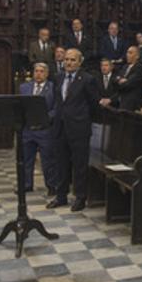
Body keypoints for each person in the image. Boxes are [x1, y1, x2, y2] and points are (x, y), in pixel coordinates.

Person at [50, 48, 98, 211]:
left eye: (72, 60)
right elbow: (58, 101)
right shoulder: (58, 77)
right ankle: (61, 196)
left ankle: (80, 197)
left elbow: (93, 105)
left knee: (79, 164)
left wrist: (82, 119)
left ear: (80, 62)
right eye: (66, 60)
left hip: (79, 128)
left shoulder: (87, 79)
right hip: (60, 127)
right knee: (61, 163)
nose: (68, 63)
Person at [17, 62, 58, 198]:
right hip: (28, 130)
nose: (38, 74)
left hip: (45, 130)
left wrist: (47, 118)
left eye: (41, 71)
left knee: (47, 160)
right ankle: (26, 185)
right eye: (36, 71)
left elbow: (56, 108)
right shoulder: (24, 88)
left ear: (46, 74)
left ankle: (51, 186)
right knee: (26, 160)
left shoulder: (53, 88)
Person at [114, 45, 142, 111]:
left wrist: (122, 81)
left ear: (137, 56)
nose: (127, 55)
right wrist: (120, 80)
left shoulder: (139, 68)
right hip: (121, 101)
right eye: (127, 52)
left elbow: (128, 84)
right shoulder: (124, 67)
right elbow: (114, 81)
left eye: (130, 53)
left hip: (132, 103)